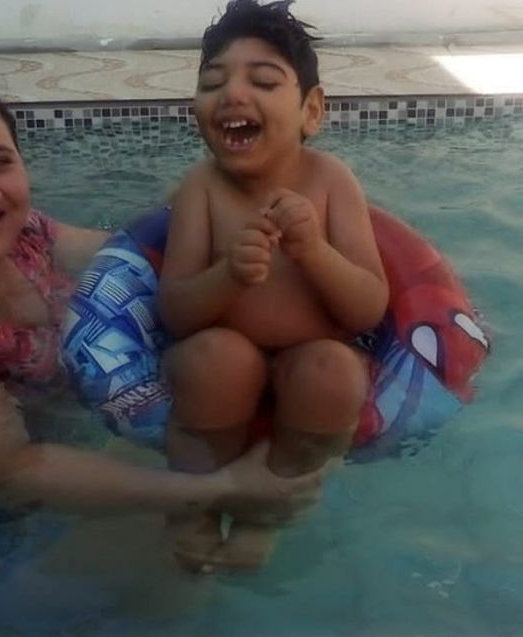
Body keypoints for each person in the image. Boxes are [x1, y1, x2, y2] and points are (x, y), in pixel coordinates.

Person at [0, 67, 321, 627]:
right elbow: (0, 471)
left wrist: (240, 201)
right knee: (195, 544)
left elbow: (140, 260)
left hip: (68, 482)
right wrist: (218, 488)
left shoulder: (23, 237)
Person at [158, 0, 389, 571]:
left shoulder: (332, 181)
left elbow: (369, 307)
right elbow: (175, 312)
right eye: (213, 82)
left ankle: (267, 514)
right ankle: (198, 502)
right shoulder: (201, 189)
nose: (232, 94)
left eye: (263, 80)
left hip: (310, 359)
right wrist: (228, 275)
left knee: (333, 369)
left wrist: (313, 252)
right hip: (223, 361)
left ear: (311, 110)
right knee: (218, 356)